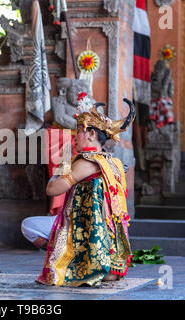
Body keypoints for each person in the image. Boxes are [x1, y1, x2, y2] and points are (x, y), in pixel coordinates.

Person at [24, 91, 135, 287]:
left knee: (28, 226)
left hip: (83, 230)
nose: (74, 136)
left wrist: (63, 166)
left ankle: (74, 260)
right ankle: (104, 266)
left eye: (78, 131)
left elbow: (52, 189)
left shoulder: (86, 162)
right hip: (112, 245)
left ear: (91, 134)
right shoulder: (113, 162)